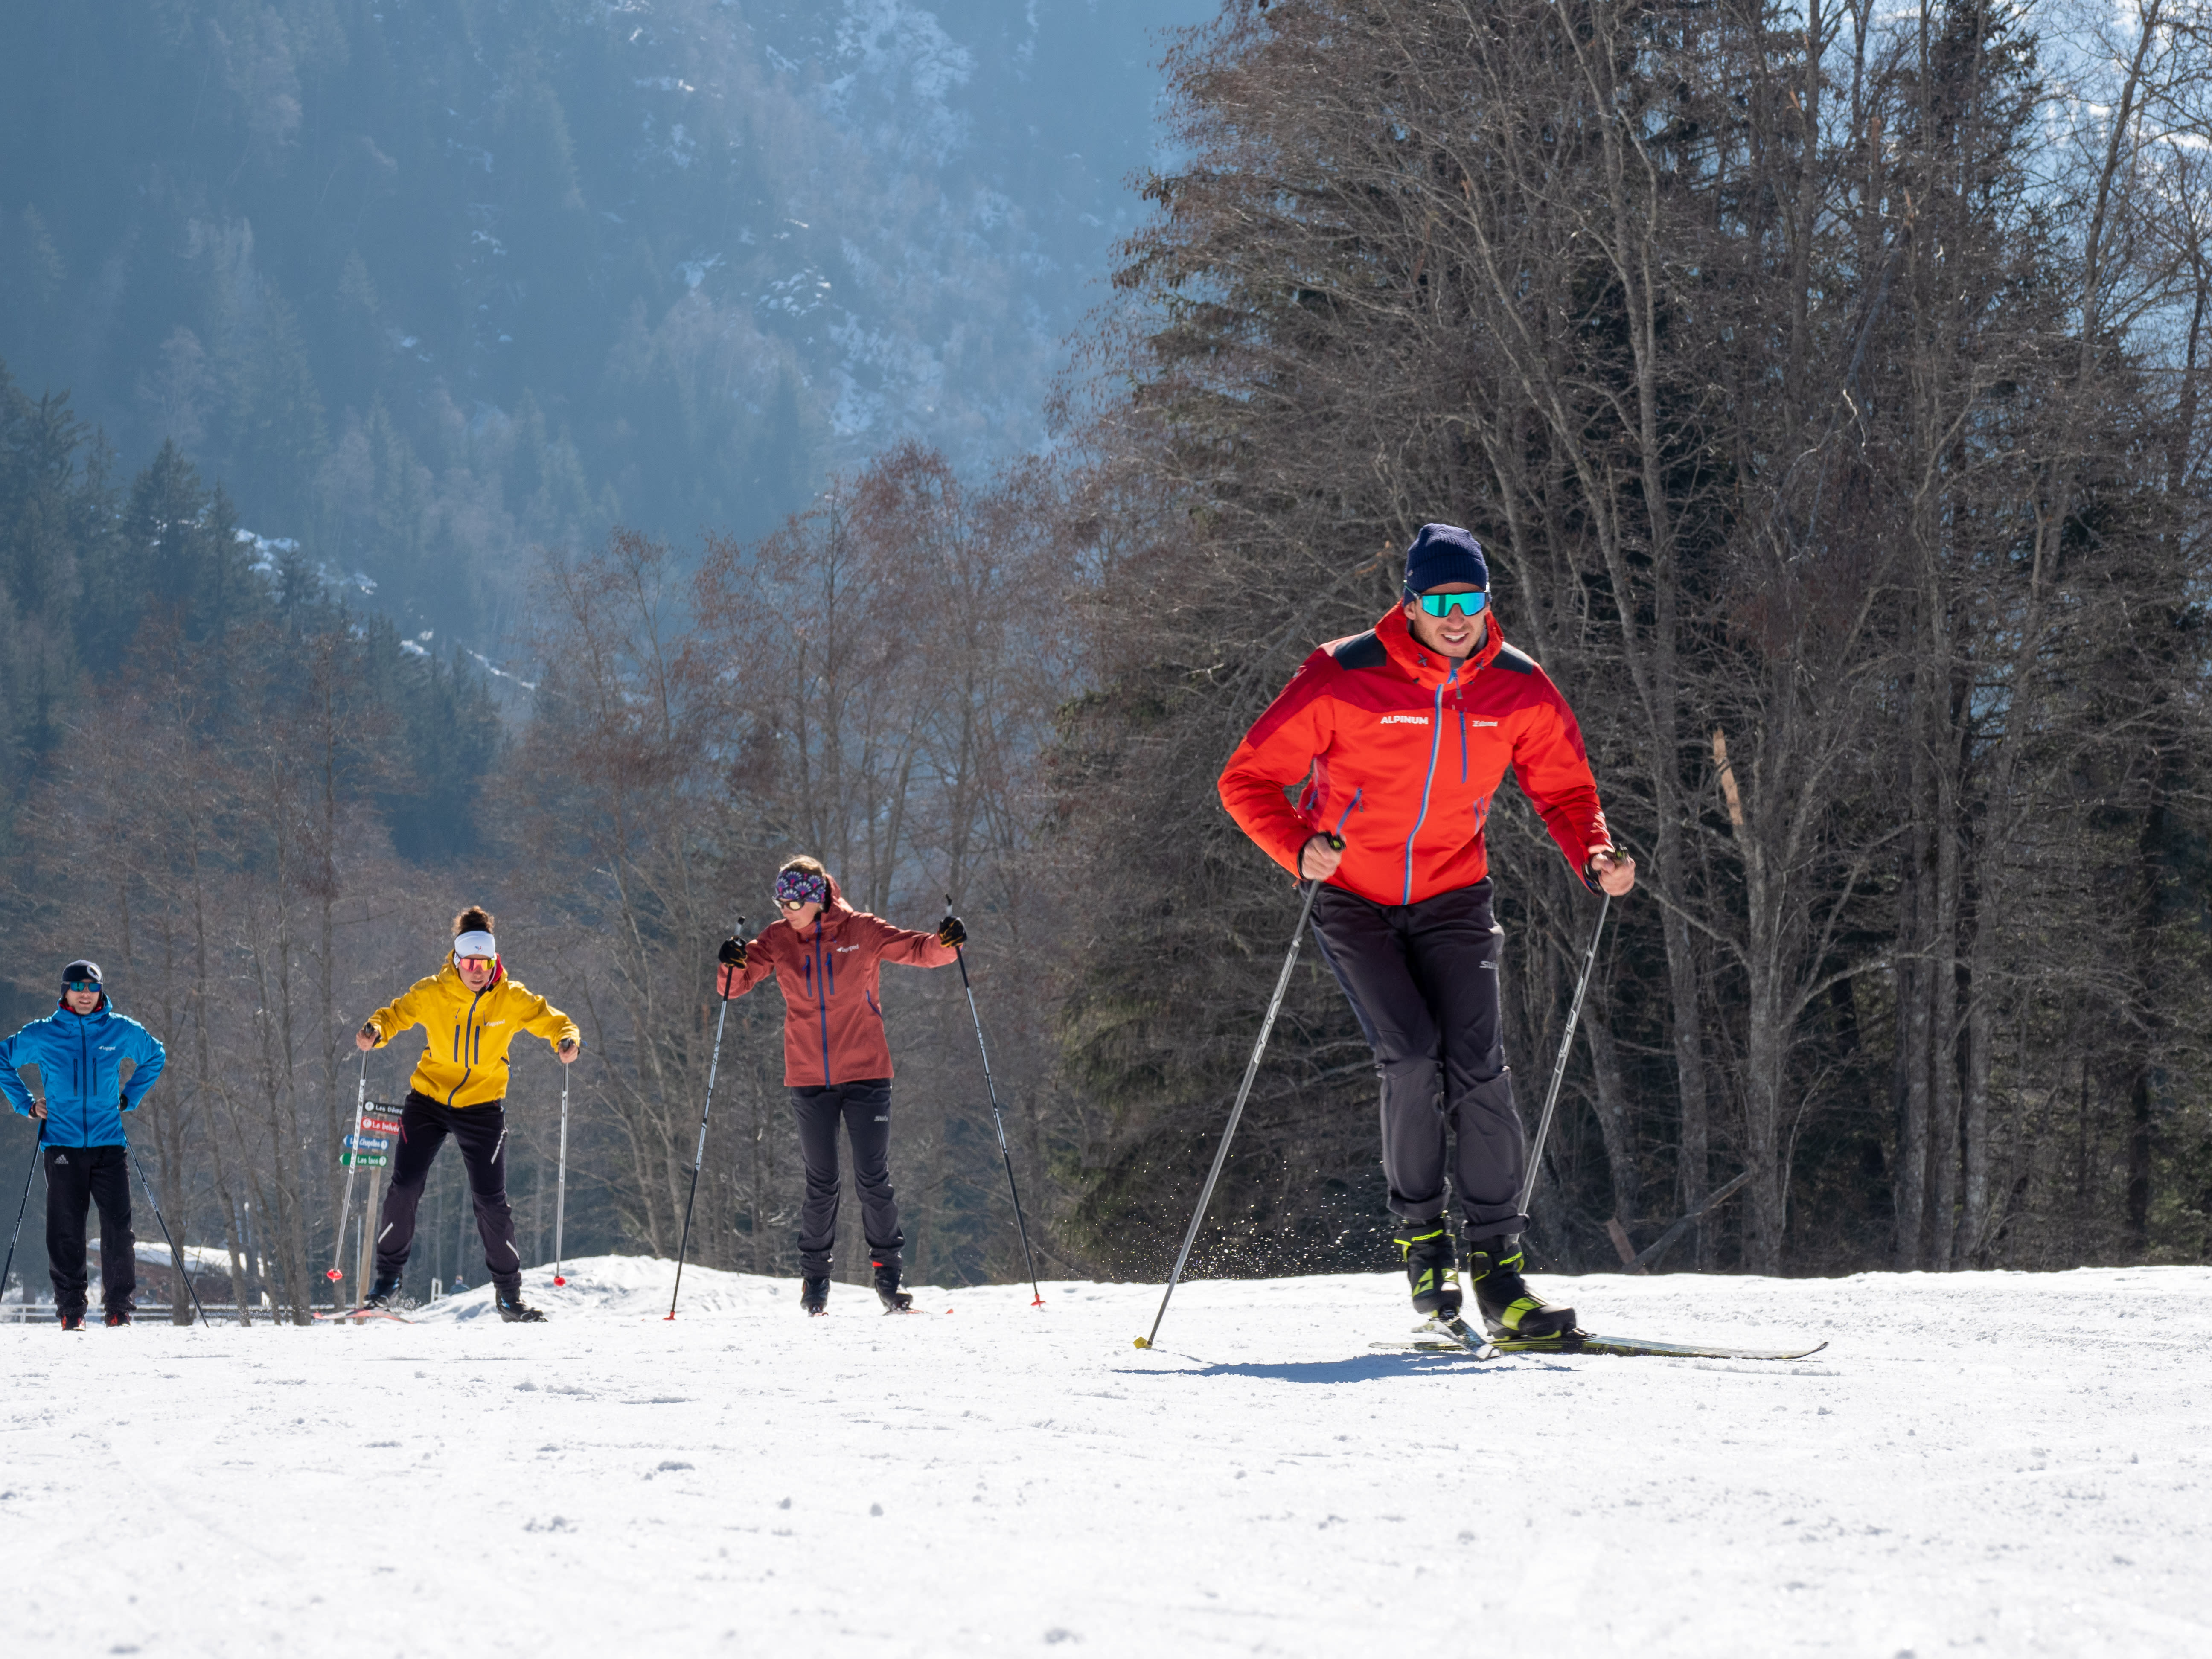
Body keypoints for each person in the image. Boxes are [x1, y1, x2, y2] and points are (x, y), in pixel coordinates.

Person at [1217, 523, 1636, 1339]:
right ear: (1407, 603)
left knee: (1479, 1068)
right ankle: (1423, 1250)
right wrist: (1297, 846)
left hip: (1453, 896)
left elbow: (1564, 790)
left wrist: (1595, 854)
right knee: (1410, 1056)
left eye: (1470, 598)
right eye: (1439, 600)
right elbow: (1247, 779)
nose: (1456, 616)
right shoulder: (1343, 673)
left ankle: (1502, 1276)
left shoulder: (1516, 687)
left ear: (1486, 601)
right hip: (1352, 896)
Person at [713, 856, 966, 1315]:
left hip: (868, 1072)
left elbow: (917, 949)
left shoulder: (860, 930)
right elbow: (734, 985)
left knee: (873, 1178)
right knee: (822, 1182)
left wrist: (947, 944)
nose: (785, 908)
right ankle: (815, 1286)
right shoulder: (777, 938)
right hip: (809, 1078)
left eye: (792, 901)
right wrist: (730, 963)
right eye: (781, 900)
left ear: (815, 899)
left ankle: (889, 1279)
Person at [355, 907, 579, 1321]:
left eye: (485, 964)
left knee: (491, 1203)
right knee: (404, 1189)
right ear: (457, 962)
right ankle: (386, 1285)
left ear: (494, 963)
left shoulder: (511, 997)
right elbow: (395, 1015)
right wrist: (375, 1031)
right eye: (470, 963)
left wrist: (567, 1040)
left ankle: (509, 1297)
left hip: (482, 1109)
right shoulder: (433, 991)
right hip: (427, 1102)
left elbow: (553, 1021)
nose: (477, 971)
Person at [0, 960, 167, 1329]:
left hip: (109, 1143)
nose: (86, 995)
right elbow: (2, 1058)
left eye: (92, 988)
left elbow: (155, 1055)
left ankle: (119, 1309)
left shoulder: (118, 1029)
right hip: (62, 1144)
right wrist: (26, 1104)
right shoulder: (45, 1034)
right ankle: (72, 1311)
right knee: (66, 1229)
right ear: (65, 992)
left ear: (100, 991)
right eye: (78, 988)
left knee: (118, 1229)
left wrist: (129, 1097)